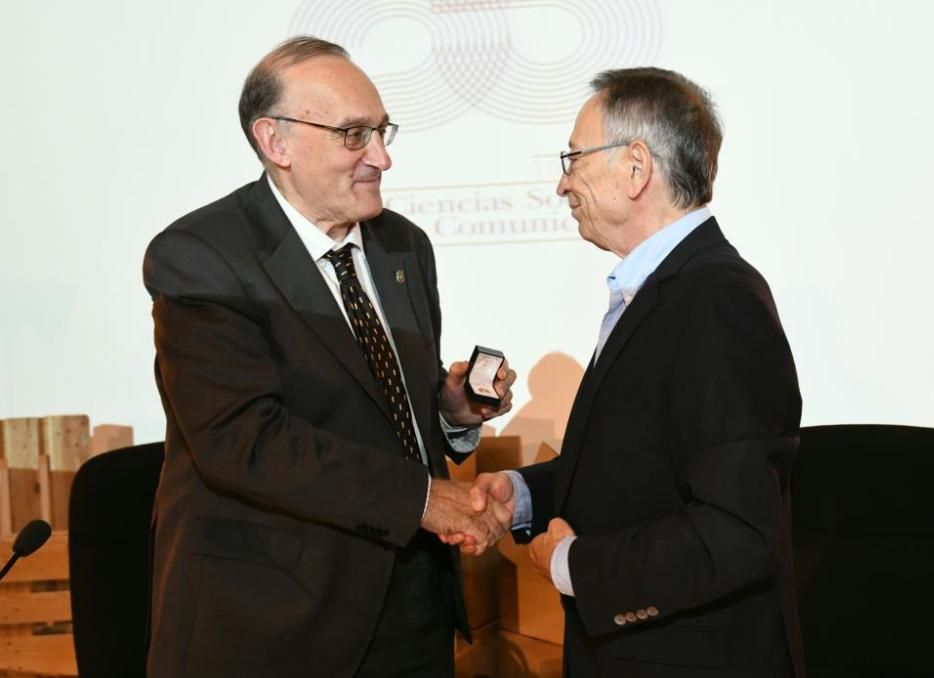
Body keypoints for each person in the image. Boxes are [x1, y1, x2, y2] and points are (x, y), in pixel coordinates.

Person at [142, 36, 515, 678]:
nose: (383, 157)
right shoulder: (201, 256)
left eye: (381, 130)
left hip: (413, 599)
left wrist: (452, 412)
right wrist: (423, 498)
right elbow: (244, 441)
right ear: (275, 142)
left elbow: (381, 407)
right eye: (353, 135)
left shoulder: (404, 246)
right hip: (278, 621)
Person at [464, 68, 805, 677]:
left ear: (636, 166)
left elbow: (733, 532)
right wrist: (521, 495)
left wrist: (573, 565)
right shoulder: (665, 288)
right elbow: (636, 472)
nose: (562, 183)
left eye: (572, 158)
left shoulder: (716, 300)